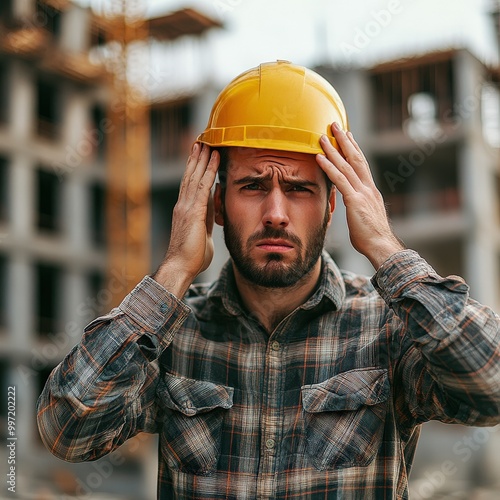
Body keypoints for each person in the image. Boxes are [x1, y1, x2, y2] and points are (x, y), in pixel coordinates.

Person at [37, 61, 500, 499]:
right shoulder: (174, 336)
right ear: (214, 204)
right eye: (253, 186)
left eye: (299, 189)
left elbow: (491, 387)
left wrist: (384, 246)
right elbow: (66, 430)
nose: (276, 214)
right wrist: (174, 270)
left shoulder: (386, 329)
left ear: (333, 206)